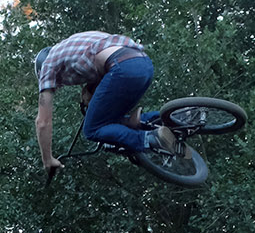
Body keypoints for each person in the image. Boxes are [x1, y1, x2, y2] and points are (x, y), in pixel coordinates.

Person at [34, 32, 180, 176]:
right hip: (143, 64)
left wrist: (47, 159)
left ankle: (150, 139)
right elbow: (103, 71)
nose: (59, 86)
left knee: (92, 129)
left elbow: (42, 122)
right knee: (112, 122)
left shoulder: (48, 66)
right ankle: (181, 117)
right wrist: (90, 92)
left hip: (122, 67)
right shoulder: (73, 44)